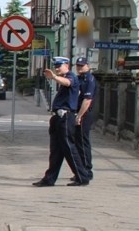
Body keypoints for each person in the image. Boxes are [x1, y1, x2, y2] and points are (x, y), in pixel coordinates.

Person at [33, 56, 90, 187]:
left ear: (67, 65)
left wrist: (54, 77)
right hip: (58, 118)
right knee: (56, 151)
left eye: (59, 66)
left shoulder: (71, 77)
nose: (57, 68)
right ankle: (49, 178)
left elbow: (67, 82)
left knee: (69, 148)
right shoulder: (65, 77)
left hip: (65, 117)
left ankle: (82, 176)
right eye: (56, 66)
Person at [74, 56, 96, 181]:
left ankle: (87, 170)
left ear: (88, 66)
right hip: (78, 113)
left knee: (83, 142)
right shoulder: (79, 78)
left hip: (84, 114)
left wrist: (79, 116)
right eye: (78, 65)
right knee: (78, 143)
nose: (79, 67)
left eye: (82, 65)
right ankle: (81, 169)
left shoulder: (89, 79)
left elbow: (87, 100)